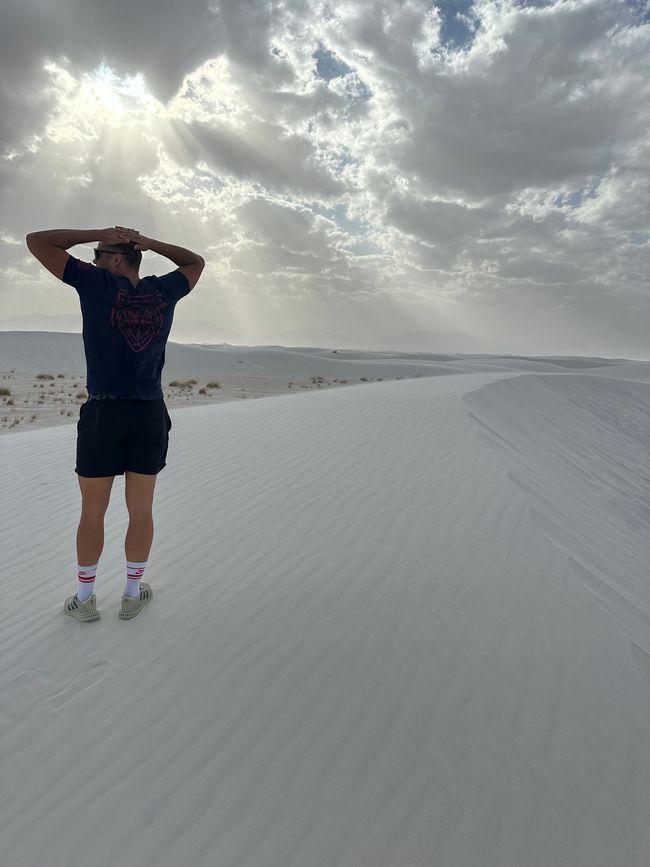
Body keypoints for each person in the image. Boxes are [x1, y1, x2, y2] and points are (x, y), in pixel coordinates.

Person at [25, 226, 205, 621]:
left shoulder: (96, 285)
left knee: (93, 511)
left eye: (99, 253)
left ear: (117, 259)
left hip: (104, 411)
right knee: (141, 509)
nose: (93, 259)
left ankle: (85, 599)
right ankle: (130, 593)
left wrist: (98, 231)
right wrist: (153, 243)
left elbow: (37, 241)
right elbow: (195, 262)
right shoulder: (163, 291)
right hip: (147, 412)